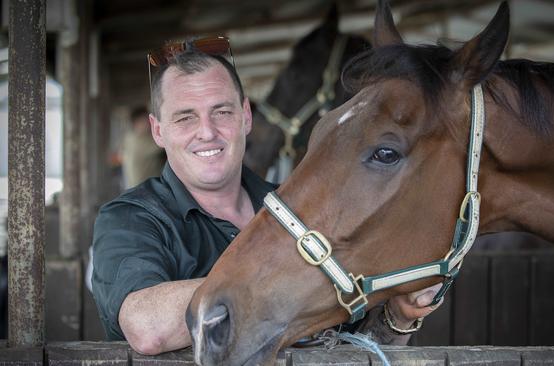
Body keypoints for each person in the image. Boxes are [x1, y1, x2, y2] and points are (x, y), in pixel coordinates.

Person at [90, 36, 443, 355]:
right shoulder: (129, 217)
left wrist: (398, 316)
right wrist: (286, 277)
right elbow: (147, 328)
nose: (208, 132)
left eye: (222, 112)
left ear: (245, 116)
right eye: (185, 118)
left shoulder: (306, 208)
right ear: (158, 131)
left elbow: (363, 348)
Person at [121, 106, 166, 188]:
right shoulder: (140, 142)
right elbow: (168, 143)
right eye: (146, 120)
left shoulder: (129, 138)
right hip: (147, 192)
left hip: (137, 189)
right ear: (136, 123)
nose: (150, 123)